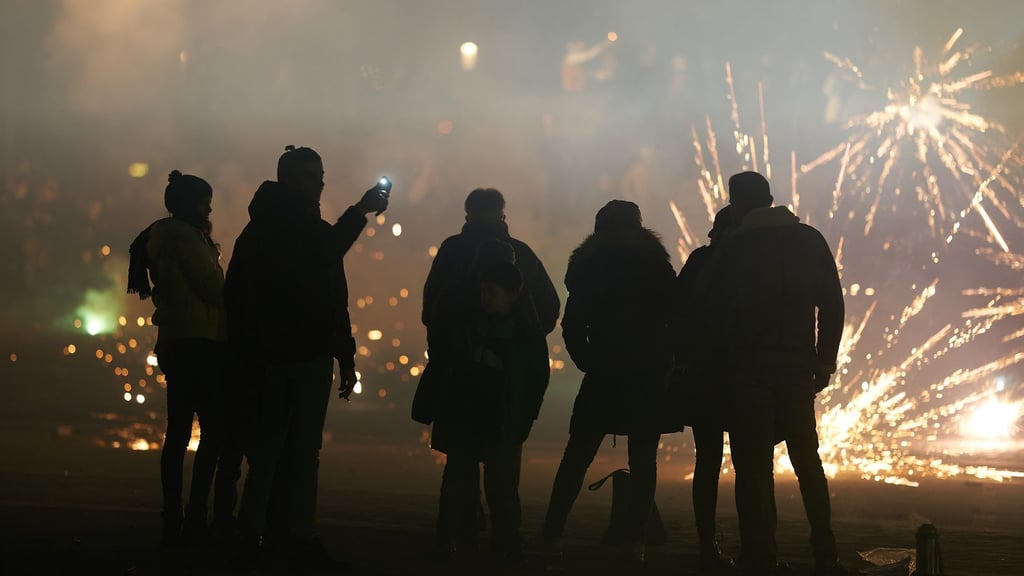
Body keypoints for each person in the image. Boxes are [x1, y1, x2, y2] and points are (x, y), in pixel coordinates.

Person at [227, 145, 388, 572]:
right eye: (309, 176)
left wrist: (345, 354)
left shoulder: (273, 228)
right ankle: (282, 537)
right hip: (281, 358)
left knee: (286, 453)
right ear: (287, 180)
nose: (318, 183)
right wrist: (361, 210)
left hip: (300, 355)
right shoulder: (277, 230)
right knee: (282, 454)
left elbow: (334, 293)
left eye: (319, 175)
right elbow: (324, 259)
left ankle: (268, 536)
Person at [714, 172, 846, 576]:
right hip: (797, 368)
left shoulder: (735, 248)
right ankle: (825, 551)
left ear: (736, 204)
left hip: (749, 368)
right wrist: (825, 361)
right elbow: (833, 305)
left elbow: (713, 312)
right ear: (771, 199)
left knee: (754, 467)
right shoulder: (810, 239)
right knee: (808, 461)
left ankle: (760, 554)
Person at [421, 187, 560, 555]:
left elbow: (429, 312)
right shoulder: (521, 257)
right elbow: (547, 309)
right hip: (501, 392)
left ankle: (452, 539)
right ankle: (505, 544)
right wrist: (518, 346)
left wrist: (448, 355)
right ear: (502, 213)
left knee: (459, 473)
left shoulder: (452, 251)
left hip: (460, 388)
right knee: (501, 476)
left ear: (468, 214)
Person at [539, 200, 675, 562]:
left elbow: (572, 324)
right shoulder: (656, 265)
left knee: (577, 456)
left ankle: (552, 533)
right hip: (646, 375)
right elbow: (676, 318)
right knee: (644, 460)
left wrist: (589, 361)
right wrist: (665, 363)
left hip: (604, 374)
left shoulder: (588, 267)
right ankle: (635, 543)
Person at [127, 170, 228, 547]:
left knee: (178, 433)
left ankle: (173, 514)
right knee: (213, 434)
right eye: (204, 201)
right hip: (198, 344)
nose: (210, 207)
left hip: (176, 344)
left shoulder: (166, 235)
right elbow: (213, 287)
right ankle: (195, 518)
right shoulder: (185, 238)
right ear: (188, 204)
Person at [672, 205, 737, 573]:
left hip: (704, 375)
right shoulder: (747, 262)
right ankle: (755, 546)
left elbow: (677, 310)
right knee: (747, 461)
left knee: (708, 459)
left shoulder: (701, 260)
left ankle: (706, 542)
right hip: (737, 374)